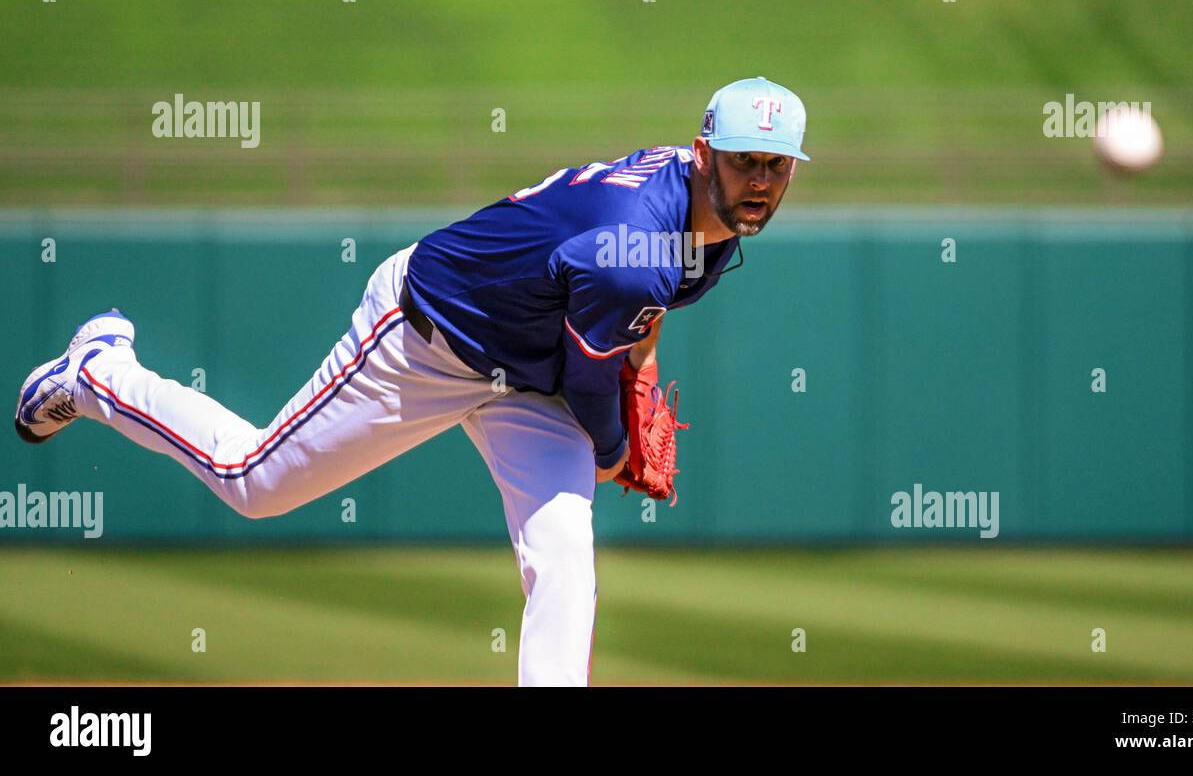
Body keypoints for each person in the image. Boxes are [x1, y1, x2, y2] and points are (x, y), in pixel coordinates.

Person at [14, 76, 810, 686]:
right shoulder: (636, 237)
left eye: (778, 166)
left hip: (530, 375)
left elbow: (640, 319)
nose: (762, 181)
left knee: (566, 556)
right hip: (428, 340)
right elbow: (595, 371)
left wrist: (643, 375)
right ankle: (100, 373)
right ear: (704, 153)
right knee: (253, 482)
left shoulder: (698, 217)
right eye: (747, 161)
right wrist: (609, 449)